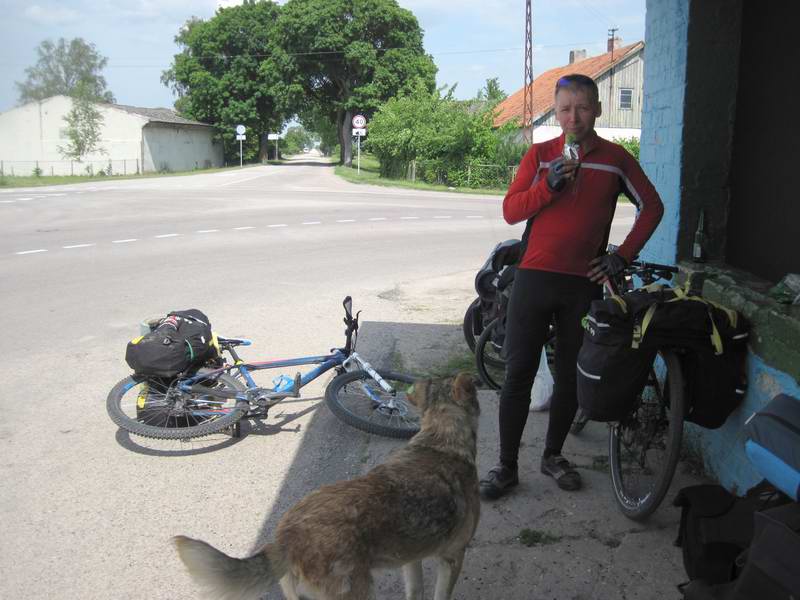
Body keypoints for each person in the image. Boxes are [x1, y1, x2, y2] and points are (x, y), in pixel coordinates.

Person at [480, 74, 664, 498]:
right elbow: (510, 210)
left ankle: (553, 456)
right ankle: (506, 466)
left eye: (582, 107)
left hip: (581, 285)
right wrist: (548, 186)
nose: (573, 117)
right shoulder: (541, 155)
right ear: (557, 111)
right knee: (518, 373)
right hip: (533, 279)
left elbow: (652, 207)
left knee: (568, 377)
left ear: (597, 109)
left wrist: (622, 257)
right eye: (564, 108)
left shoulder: (616, 159)